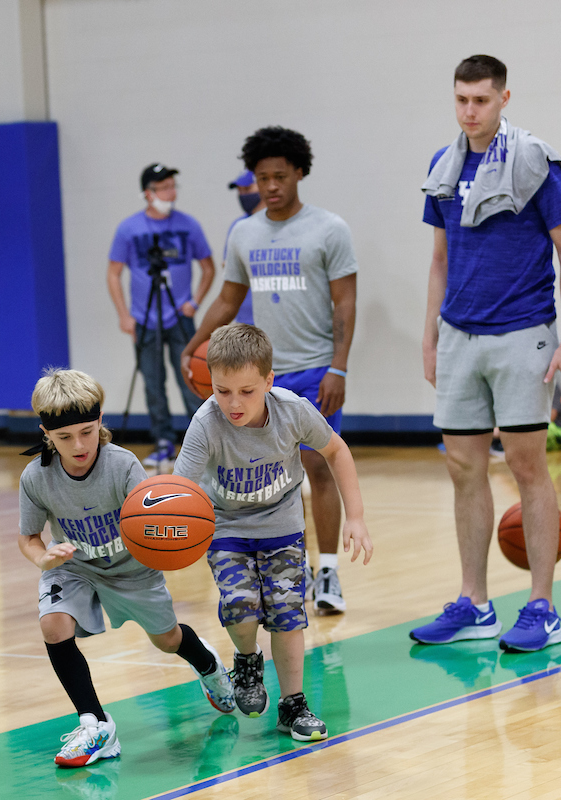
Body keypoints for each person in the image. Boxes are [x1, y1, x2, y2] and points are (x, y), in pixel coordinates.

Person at [413, 55, 561, 652]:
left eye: (481, 100)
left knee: (527, 467)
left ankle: (543, 606)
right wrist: (431, 335)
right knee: (462, 467)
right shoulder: (444, 164)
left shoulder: (535, 160)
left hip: (522, 331)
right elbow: (439, 259)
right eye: (461, 99)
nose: (469, 111)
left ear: (504, 98)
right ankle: (474, 602)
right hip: (460, 334)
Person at [18, 368, 235, 767]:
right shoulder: (36, 477)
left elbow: (151, 519)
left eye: (86, 431)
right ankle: (96, 724)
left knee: (166, 640)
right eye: (64, 437)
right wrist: (42, 559)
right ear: (46, 433)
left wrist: (170, 540)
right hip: (74, 567)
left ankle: (205, 661)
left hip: (132, 568)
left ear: (100, 422)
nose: (78, 444)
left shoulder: (123, 466)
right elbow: (29, 537)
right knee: (53, 625)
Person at [181, 128, 358, 614]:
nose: (272, 185)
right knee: (278, 476)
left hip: (314, 366)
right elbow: (227, 299)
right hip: (260, 375)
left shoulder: (329, 229)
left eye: (280, 176)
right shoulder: (244, 232)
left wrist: (338, 368)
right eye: (263, 178)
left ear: (299, 172)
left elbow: (345, 302)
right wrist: (195, 344)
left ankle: (328, 572)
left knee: (319, 465)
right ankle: (291, 560)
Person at [173, 324, 372, 741]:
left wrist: (355, 516)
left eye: (246, 391)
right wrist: (167, 536)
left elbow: (336, 450)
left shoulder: (293, 410)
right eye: (222, 390)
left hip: (283, 528)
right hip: (226, 527)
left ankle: (293, 705)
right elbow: (181, 490)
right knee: (241, 607)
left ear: (268, 381)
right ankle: (246, 660)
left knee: (286, 615)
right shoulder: (205, 423)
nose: (233, 403)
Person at [107, 163, 215, 472]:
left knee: (191, 379)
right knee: (153, 384)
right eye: (163, 187)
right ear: (147, 193)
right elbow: (113, 274)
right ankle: (164, 442)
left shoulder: (188, 225)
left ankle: (203, 441)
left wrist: (195, 301)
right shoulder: (129, 229)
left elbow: (208, 267)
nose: (171, 193)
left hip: (180, 317)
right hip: (144, 319)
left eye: (172, 186)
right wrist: (123, 315)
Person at [225, 170, 261, 326]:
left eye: (247, 189)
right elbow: (228, 267)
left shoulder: (280, 225)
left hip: (275, 315)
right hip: (245, 315)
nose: (243, 195)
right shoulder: (238, 226)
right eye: (239, 191)